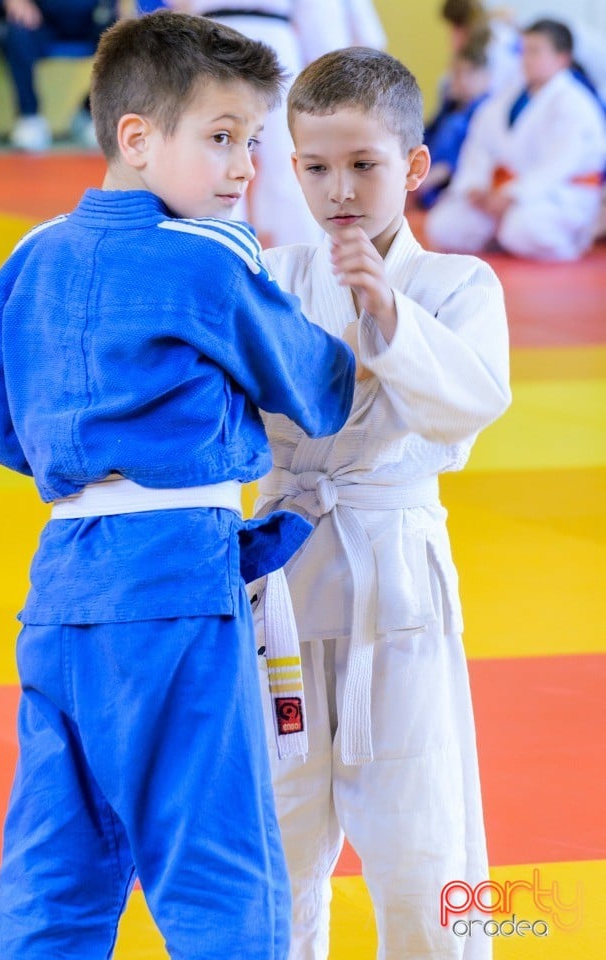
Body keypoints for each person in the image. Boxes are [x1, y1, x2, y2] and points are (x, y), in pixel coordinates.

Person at [0, 12, 357, 960]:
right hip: (175, 591)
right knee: (218, 861)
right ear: (137, 137)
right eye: (221, 138)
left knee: (54, 871)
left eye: (254, 143)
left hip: (60, 593)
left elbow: (8, 440)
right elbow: (315, 388)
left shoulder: (24, 261)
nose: (243, 170)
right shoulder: (209, 255)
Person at [248, 46, 511, 960]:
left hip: (393, 585)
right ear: (291, 168)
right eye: (317, 167)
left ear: (413, 165)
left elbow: (473, 402)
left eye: (364, 164)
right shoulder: (270, 277)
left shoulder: (457, 285)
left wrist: (386, 317)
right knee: (274, 837)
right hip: (277, 585)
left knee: (425, 824)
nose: (341, 190)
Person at [136, 1, 386, 247]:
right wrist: (327, 67)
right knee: (282, 160)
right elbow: (317, 15)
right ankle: (297, 258)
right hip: (253, 37)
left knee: (219, 149)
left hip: (212, 38)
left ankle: (222, 248)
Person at [426, 18, 606, 261]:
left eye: (535, 51)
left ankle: (571, 241)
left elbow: (559, 165)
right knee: (443, 226)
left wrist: (513, 194)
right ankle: (498, 235)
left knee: (521, 228)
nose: (526, 58)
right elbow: (480, 146)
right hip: (499, 194)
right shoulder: (507, 97)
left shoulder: (575, 105)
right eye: (524, 50)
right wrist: (475, 186)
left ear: (561, 58)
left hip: (559, 197)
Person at [0, 0, 117, 151]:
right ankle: (29, 117)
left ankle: (88, 112)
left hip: (90, 18)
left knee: (127, 38)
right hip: (38, 20)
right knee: (13, 30)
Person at [415, 36, 491, 209]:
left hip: (453, 183)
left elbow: (457, 161)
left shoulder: (487, 111)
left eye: (470, 73)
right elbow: (424, 136)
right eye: (457, 72)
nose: (462, 79)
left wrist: (423, 181)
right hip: (426, 177)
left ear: (486, 77)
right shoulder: (450, 105)